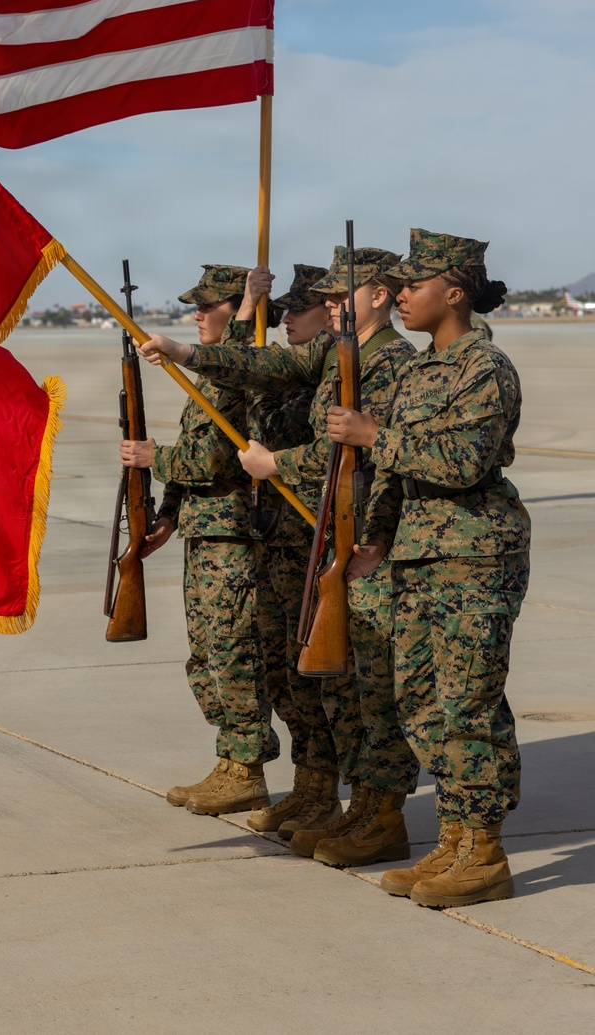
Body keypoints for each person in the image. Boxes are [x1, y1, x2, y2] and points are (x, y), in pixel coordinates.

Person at [138, 248, 421, 864]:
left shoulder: (390, 362)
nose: (329, 305)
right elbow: (261, 365)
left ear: (378, 294)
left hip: (361, 539)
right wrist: (189, 352)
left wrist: (276, 467)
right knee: (305, 680)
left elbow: (348, 452)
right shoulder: (333, 354)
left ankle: (375, 811)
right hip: (316, 538)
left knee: (362, 687)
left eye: (341, 295)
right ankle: (329, 795)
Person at [327, 230, 528, 907]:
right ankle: (451, 836)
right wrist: (373, 538)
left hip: (474, 552)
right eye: (402, 282)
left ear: (457, 290)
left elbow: (464, 461)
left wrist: (371, 434)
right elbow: (391, 468)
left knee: (468, 703)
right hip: (414, 552)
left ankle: (485, 849)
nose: (404, 293)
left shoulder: (484, 366)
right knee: (419, 702)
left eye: (416, 283)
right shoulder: (415, 370)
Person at [120, 265, 277, 815]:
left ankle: (246, 767)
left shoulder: (237, 376)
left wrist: (152, 458)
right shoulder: (211, 379)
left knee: (233, 652)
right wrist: (166, 511)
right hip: (203, 533)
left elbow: (211, 458)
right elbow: (193, 460)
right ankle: (231, 759)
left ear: (234, 310)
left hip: (232, 535)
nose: (195, 314)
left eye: (206, 305)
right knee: (206, 655)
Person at [233, 265, 343, 836]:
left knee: (314, 679)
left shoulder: (324, 366)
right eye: (283, 310)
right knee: (282, 676)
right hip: (275, 541)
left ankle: (325, 791)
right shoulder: (293, 365)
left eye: (297, 309)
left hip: (309, 543)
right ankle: (309, 786)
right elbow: (241, 371)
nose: (286, 318)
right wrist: (250, 310)